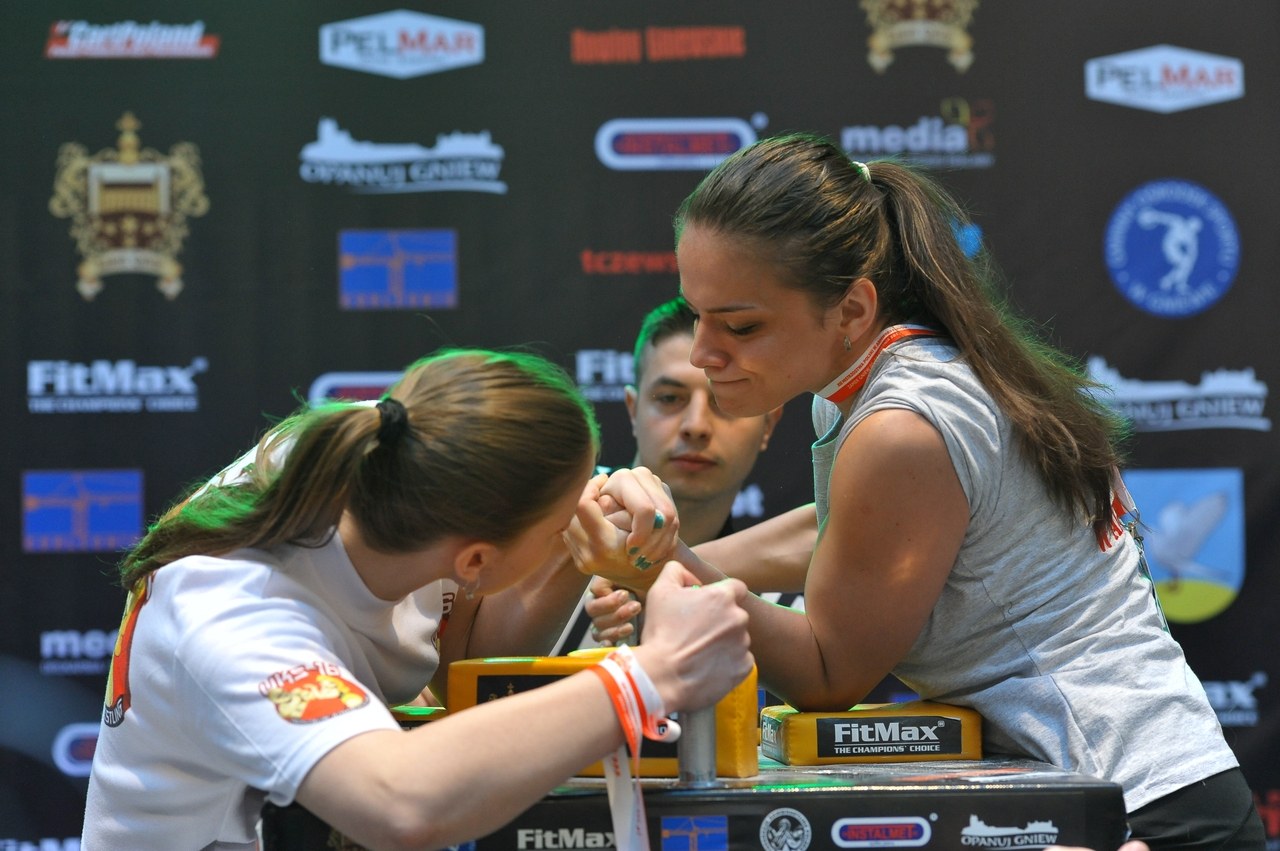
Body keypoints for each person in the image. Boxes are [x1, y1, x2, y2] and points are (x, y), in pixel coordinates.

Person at [571, 134, 1264, 848]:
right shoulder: (884, 376)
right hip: (1133, 787)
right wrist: (665, 551)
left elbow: (827, 671)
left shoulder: (900, 426)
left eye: (741, 324)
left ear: (851, 310)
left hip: (1137, 805)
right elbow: (851, 534)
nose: (704, 352)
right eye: (698, 314)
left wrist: (662, 568)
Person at [82, 348, 753, 851]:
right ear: (476, 559)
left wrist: (590, 527)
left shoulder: (400, 459)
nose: (582, 519)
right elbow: (399, 803)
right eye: (563, 524)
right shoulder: (235, 611)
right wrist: (653, 673)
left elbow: (467, 654)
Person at [556, 296, 805, 653]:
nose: (696, 426)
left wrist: (649, 572)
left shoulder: (782, 610)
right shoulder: (547, 521)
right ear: (632, 410)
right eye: (670, 398)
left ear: (769, 425)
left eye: (724, 402)